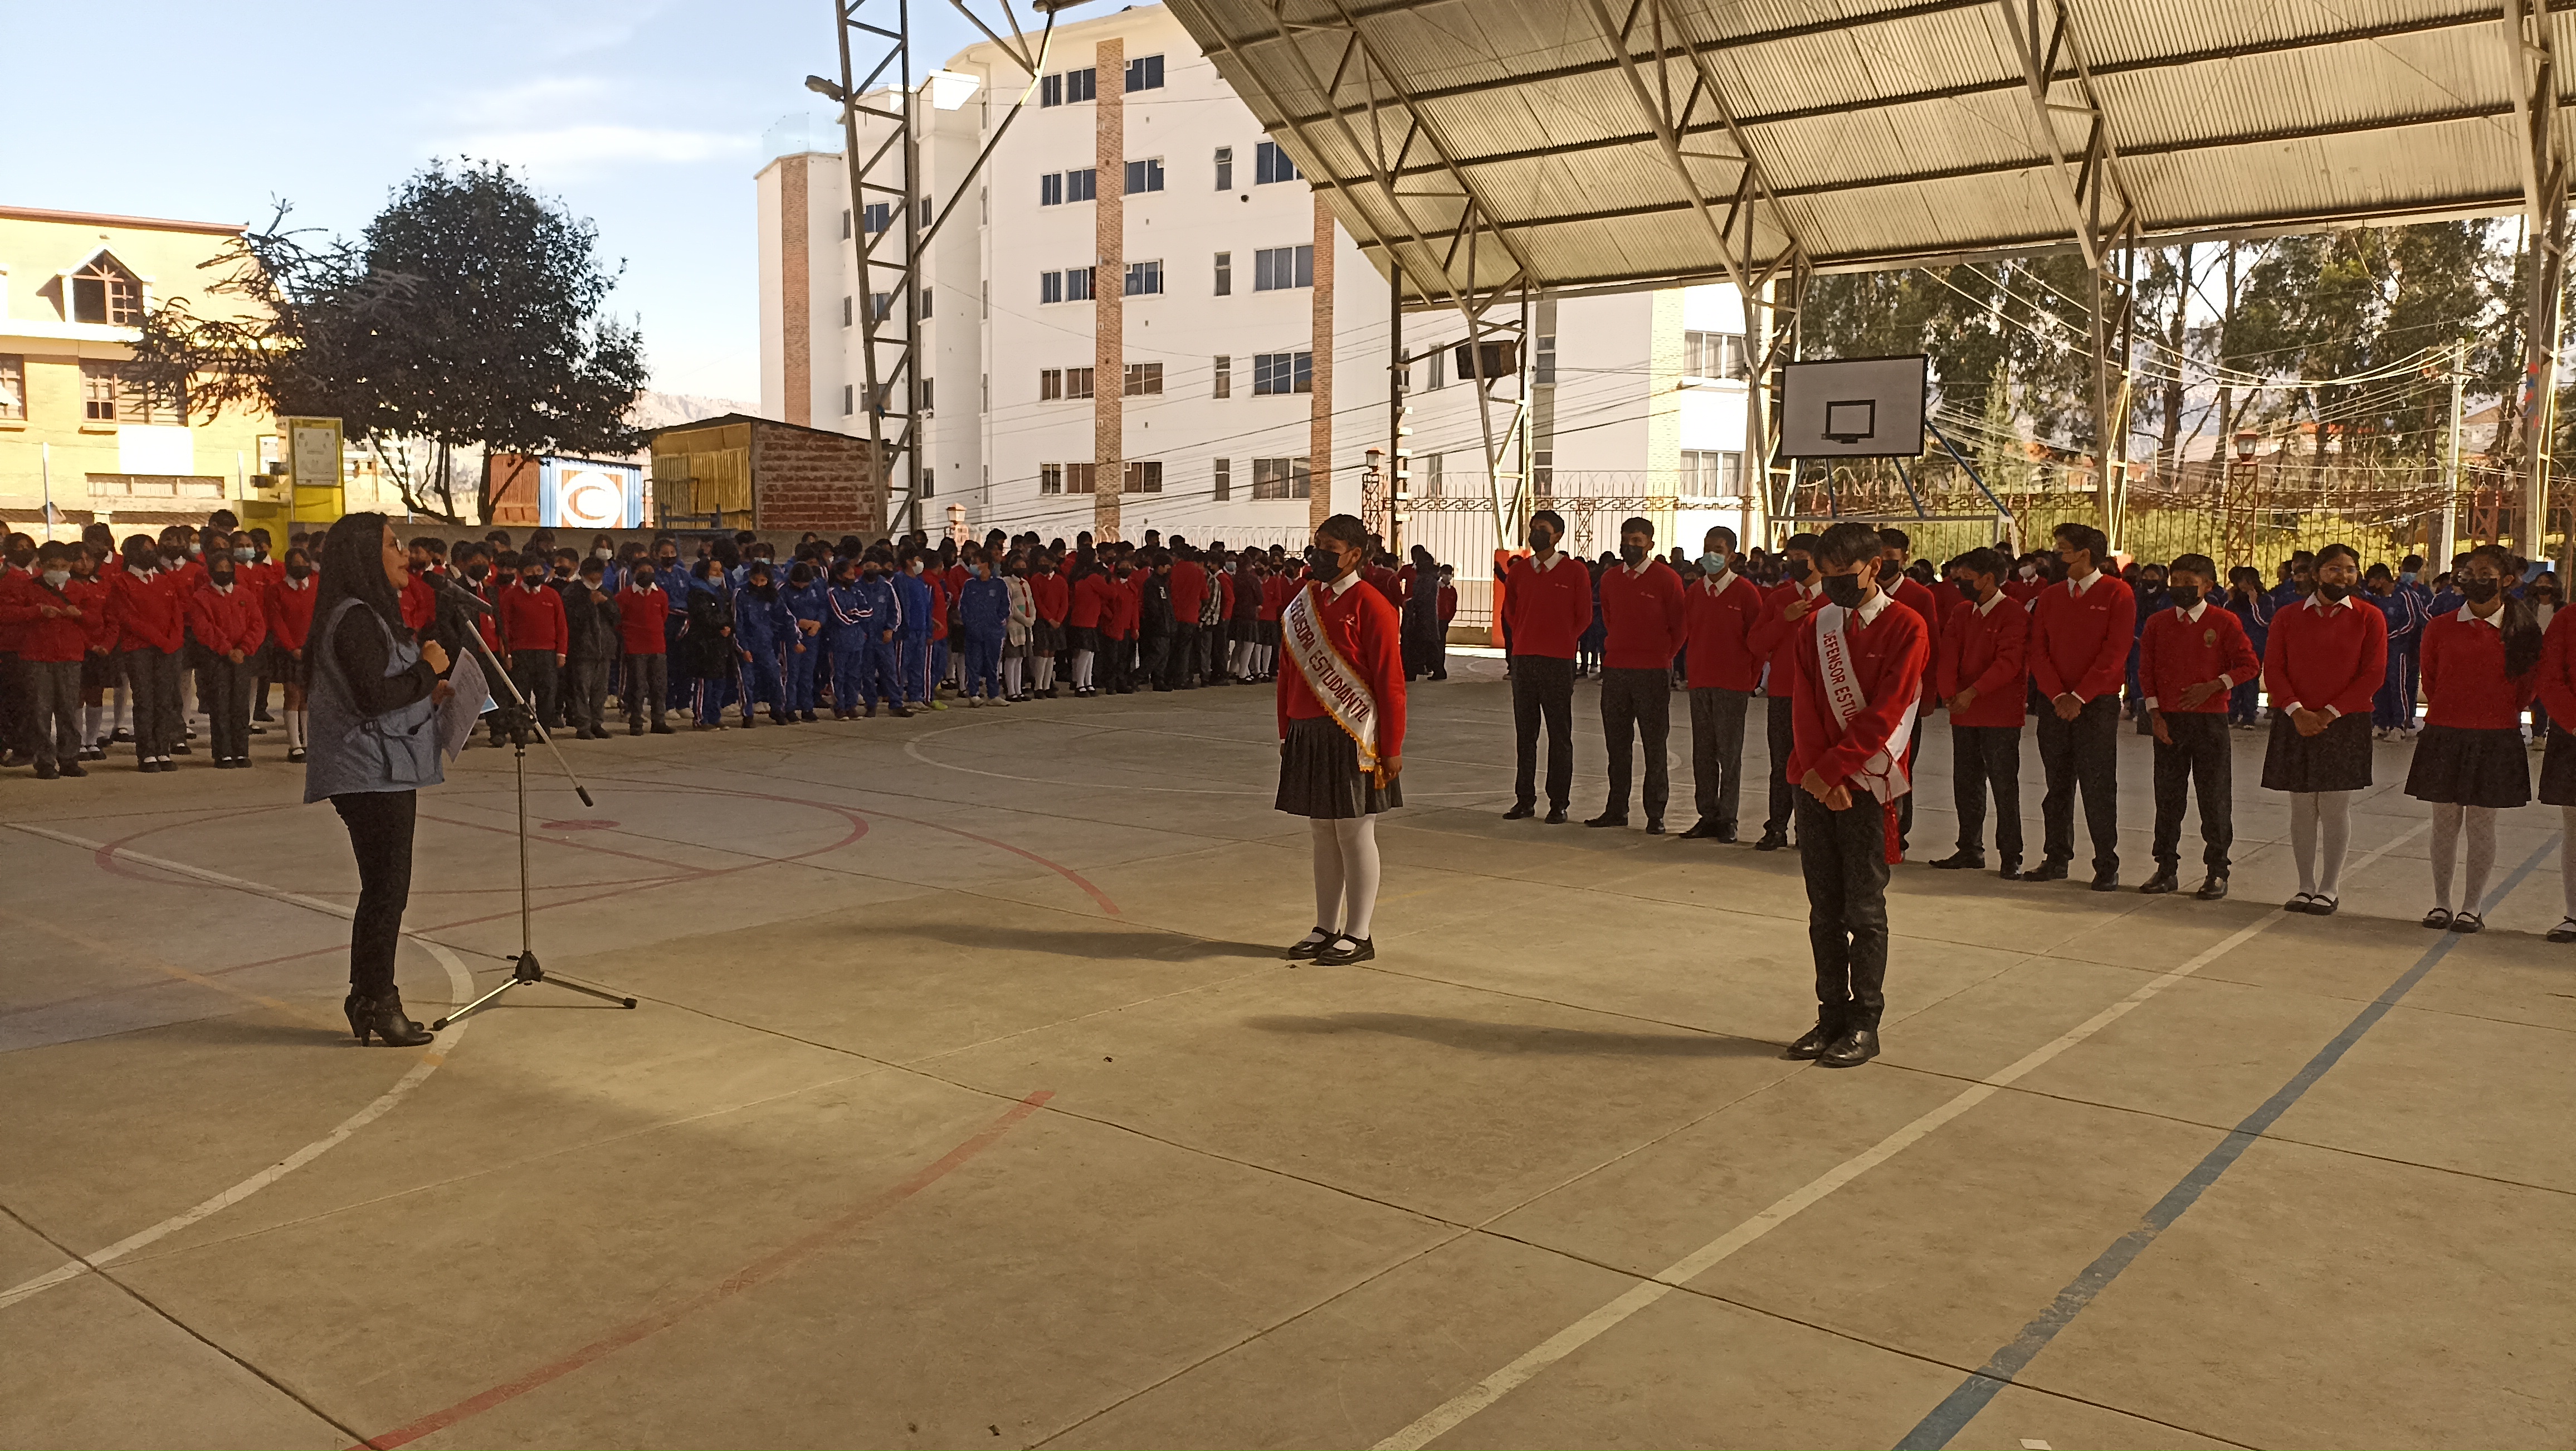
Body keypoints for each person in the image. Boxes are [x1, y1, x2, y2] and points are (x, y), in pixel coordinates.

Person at [1775, 522, 1929, 1071]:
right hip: (1816, 783)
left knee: (1863, 909)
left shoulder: (1906, 626)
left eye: (1846, 576)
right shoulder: (1815, 627)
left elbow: (1888, 711)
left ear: (1875, 569)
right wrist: (1818, 774)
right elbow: (1805, 706)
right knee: (1823, 910)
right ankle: (1829, 1016)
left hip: (1866, 784)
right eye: (1828, 576)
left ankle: (1864, 1023)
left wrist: (1837, 771)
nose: (1835, 585)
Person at [305, 514, 449, 1048]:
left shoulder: (367, 616)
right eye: (394, 544)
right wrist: (429, 671)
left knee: (384, 890)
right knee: (387, 891)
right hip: (367, 771)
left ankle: (369, 997)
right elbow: (371, 698)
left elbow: (384, 688)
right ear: (367, 554)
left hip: (380, 766)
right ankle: (377, 1000)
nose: (405, 554)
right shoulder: (356, 618)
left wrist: (426, 692)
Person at [1276, 514, 1406, 967]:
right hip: (1308, 731)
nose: (1318, 556)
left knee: (1354, 830)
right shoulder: (1303, 603)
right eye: (1316, 546)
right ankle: (1325, 925)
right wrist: (1285, 729)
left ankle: (1359, 932)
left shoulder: (1372, 604)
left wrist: (1392, 746)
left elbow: (1391, 680)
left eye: (1329, 549)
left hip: (1355, 735)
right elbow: (1287, 672)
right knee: (1321, 831)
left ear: (1354, 554)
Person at [2407, 544, 2539, 933]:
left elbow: (2526, 689)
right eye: (2467, 573)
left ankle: (2472, 906)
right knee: (2444, 823)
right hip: (2446, 732)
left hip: (2496, 736)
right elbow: (2429, 678)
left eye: (2485, 574)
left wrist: (2494, 712)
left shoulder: (2523, 629)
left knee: (2482, 824)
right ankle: (2441, 903)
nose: (2474, 580)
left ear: (2507, 580)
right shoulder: (2441, 626)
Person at [2260, 542, 2388, 916]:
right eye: (2334, 568)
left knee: (2334, 807)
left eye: (2350, 569)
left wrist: (2330, 713)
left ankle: (2329, 888)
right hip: (2295, 721)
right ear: (2316, 574)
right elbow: (2275, 669)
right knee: (2301, 807)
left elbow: (2374, 673)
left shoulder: (2369, 617)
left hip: (2344, 723)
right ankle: (2304, 886)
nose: (2343, 575)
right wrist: (2298, 712)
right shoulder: (2287, 616)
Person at [2137, 554, 2261, 899]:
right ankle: (2165, 868)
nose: (2180, 588)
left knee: (2215, 797)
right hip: (2169, 722)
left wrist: (2216, 684)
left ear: (2208, 586)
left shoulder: (2224, 622)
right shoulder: (2158, 623)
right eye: (2175, 581)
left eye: (2189, 582)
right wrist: (2155, 715)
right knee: (2168, 798)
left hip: (2209, 720)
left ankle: (2217, 871)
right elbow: (2146, 672)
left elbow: (2249, 665)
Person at [2026, 522, 2135, 889]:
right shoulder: (2051, 597)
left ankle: (2106, 862)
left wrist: (2080, 696)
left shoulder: (2117, 594)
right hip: (2056, 705)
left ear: (2084, 555)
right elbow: (2038, 651)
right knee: (2056, 786)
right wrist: (2058, 695)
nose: (2056, 556)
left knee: (2098, 786)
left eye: (2062, 549)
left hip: (2096, 705)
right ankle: (2056, 856)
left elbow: (2115, 653)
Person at [1933, 547, 2028, 875]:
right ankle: (1970, 847)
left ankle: (2010, 854)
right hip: (1964, 711)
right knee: (1966, 783)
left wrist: (1972, 692)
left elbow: (2009, 663)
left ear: (1988, 579)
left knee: (2004, 785)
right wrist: (1949, 694)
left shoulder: (2014, 614)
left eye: (1967, 578)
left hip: (1999, 714)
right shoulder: (1962, 612)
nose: (1961, 584)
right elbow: (1948, 655)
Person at [1590, 517, 1686, 833]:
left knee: (1654, 745)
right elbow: (1608, 615)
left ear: (1650, 544)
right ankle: (1616, 808)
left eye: (1637, 541)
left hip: (1652, 673)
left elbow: (1679, 626)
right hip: (1617, 670)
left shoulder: (1666, 579)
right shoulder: (1611, 579)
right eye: (1626, 540)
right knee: (1617, 744)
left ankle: (1655, 813)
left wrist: (1663, 657)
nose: (1630, 546)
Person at [1502, 510, 1592, 824]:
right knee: (1526, 734)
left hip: (1558, 661)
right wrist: (1526, 637)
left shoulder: (1575, 572)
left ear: (1557, 536)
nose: (1536, 533)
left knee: (1559, 733)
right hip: (1525, 660)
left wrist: (1563, 639)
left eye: (1543, 529)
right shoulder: (1519, 572)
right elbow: (1510, 611)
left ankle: (1559, 802)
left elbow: (1584, 616)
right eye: (1533, 528)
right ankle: (1524, 799)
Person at [1679, 525, 1764, 841]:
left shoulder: (1745, 593)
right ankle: (1707, 814)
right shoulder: (1694, 592)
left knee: (1729, 753)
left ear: (1731, 555)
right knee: (1703, 751)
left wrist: (1748, 680)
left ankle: (1729, 817)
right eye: (1707, 548)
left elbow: (1757, 640)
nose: (1711, 555)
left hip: (1732, 685)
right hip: (1701, 682)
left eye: (1718, 550)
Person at [1749, 533, 1826, 851]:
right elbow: (1756, 643)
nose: (1795, 562)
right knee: (1781, 764)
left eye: (1802, 556)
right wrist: (1785, 620)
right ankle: (1777, 825)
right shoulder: (1778, 598)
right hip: (1783, 692)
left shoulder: (1836, 599)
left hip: (1822, 697)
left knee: (1817, 764)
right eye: (1790, 556)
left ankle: (1813, 831)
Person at [190, 549, 266, 768]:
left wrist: (244, 649)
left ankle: (241, 750)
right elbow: (204, 628)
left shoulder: (244, 595)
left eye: (227, 568)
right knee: (220, 706)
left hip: (243, 658)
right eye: (219, 568)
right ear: (211, 571)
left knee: (241, 706)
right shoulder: (201, 597)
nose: (224, 572)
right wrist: (226, 649)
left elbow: (257, 624)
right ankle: (223, 752)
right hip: (216, 659)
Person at [2533, 596, 2576, 942]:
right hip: (2573, 734)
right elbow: (2550, 676)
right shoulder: (2567, 619)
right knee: (2575, 829)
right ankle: (2574, 914)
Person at [497, 552, 568, 733]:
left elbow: (561, 626)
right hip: (521, 654)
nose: (535, 574)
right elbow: (504, 627)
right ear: (521, 573)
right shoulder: (510, 596)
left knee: (547, 695)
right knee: (520, 696)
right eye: (530, 571)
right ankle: (520, 730)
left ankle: (544, 730)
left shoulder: (552, 595)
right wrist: (507, 654)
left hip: (548, 655)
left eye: (538, 570)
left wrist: (561, 653)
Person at [558, 554, 620, 739]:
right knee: (580, 689)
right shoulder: (572, 593)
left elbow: (616, 618)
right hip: (582, 651)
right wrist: (589, 604)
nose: (596, 579)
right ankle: (582, 725)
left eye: (599, 575)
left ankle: (597, 723)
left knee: (600, 691)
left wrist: (605, 603)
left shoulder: (605, 592)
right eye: (592, 575)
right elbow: (570, 621)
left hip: (604, 649)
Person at [269, 546, 320, 763]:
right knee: (292, 695)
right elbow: (276, 621)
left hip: (312, 650)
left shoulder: (317, 587)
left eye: (304, 563)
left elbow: (321, 618)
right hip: (288, 651)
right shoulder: (276, 590)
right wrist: (291, 648)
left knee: (308, 697)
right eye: (296, 563)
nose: (301, 567)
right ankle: (295, 745)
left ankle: (309, 742)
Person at [732, 560, 794, 727]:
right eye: (755, 580)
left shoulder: (772, 595)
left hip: (767, 644)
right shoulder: (740, 594)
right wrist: (742, 648)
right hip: (748, 644)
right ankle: (748, 714)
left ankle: (778, 710)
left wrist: (795, 638)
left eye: (763, 581)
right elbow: (738, 623)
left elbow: (785, 616)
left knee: (775, 677)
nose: (758, 584)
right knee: (747, 681)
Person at [617, 558, 674, 735]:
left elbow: (663, 616)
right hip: (635, 647)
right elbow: (618, 621)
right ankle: (636, 722)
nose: (647, 573)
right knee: (637, 687)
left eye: (650, 570)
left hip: (657, 646)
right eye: (643, 570)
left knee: (659, 686)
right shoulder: (624, 596)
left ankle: (659, 721)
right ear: (634, 574)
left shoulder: (661, 595)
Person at [680, 558, 738, 729]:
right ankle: (701, 718)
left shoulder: (721, 592)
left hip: (720, 644)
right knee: (705, 684)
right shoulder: (698, 593)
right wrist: (721, 625)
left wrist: (728, 627)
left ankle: (714, 716)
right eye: (715, 571)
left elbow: (728, 614)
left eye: (721, 571)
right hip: (704, 644)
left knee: (719, 683)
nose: (719, 575)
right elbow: (705, 617)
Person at [958, 552, 1012, 705]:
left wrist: (996, 621)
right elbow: (963, 607)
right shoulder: (969, 585)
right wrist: (970, 624)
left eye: (976, 562)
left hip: (994, 632)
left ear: (986, 564)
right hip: (974, 632)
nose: (973, 566)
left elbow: (1006, 608)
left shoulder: (1000, 585)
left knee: (993, 664)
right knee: (973, 663)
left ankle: (993, 695)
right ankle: (974, 694)